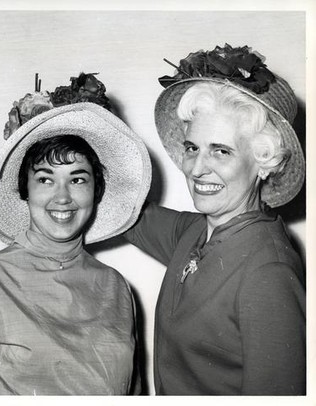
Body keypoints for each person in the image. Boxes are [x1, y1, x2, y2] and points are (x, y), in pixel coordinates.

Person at [0, 83, 152, 394]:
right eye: (45, 179)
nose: (63, 196)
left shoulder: (116, 287)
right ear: (25, 192)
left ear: (96, 192)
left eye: (78, 179)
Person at [124, 44, 305, 395]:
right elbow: (124, 213)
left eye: (220, 151)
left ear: (263, 162)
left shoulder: (269, 272)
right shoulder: (194, 233)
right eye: (193, 148)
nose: (196, 168)